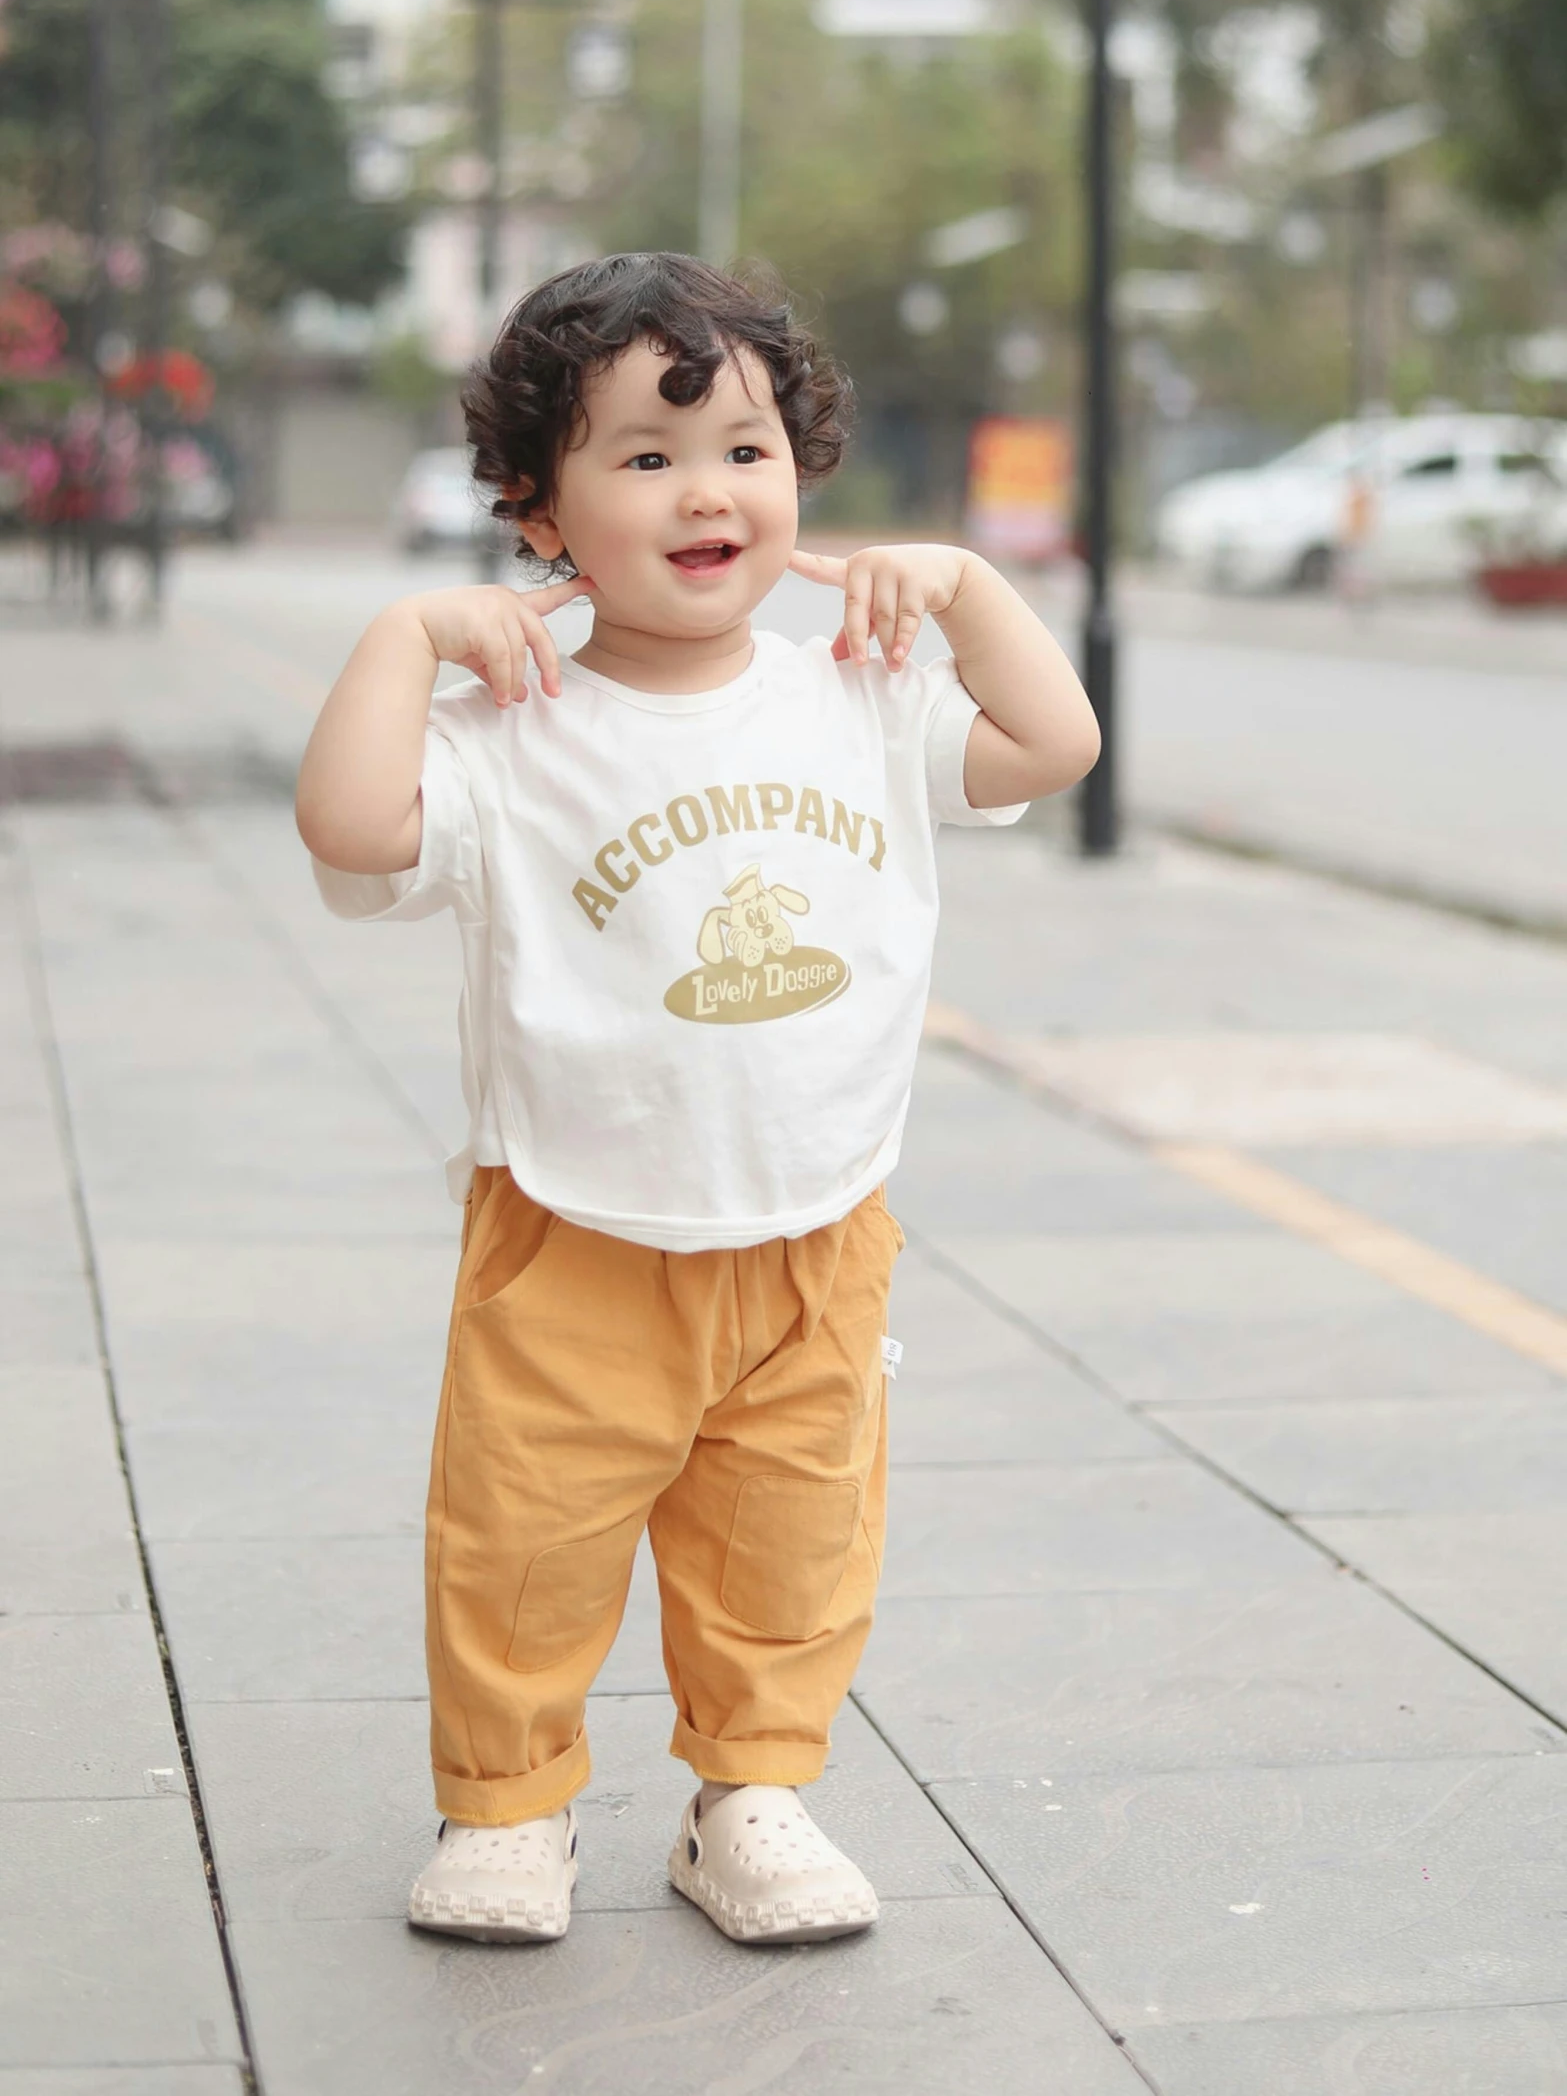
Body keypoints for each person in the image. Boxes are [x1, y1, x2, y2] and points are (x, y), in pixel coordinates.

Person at [295, 252, 1101, 1948]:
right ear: (537, 508)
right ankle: (508, 1808)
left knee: (789, 1543)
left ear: (800, 469)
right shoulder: (509, 720)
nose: (705, 490)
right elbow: (359, 832)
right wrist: (400, 637)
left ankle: (752, 1797)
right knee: (523, 1535)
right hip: (573, 1218)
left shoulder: (860, 696)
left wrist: (959, 585)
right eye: (643, 458)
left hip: (816, 1218)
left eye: (742, 446)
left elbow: (1051, 747)